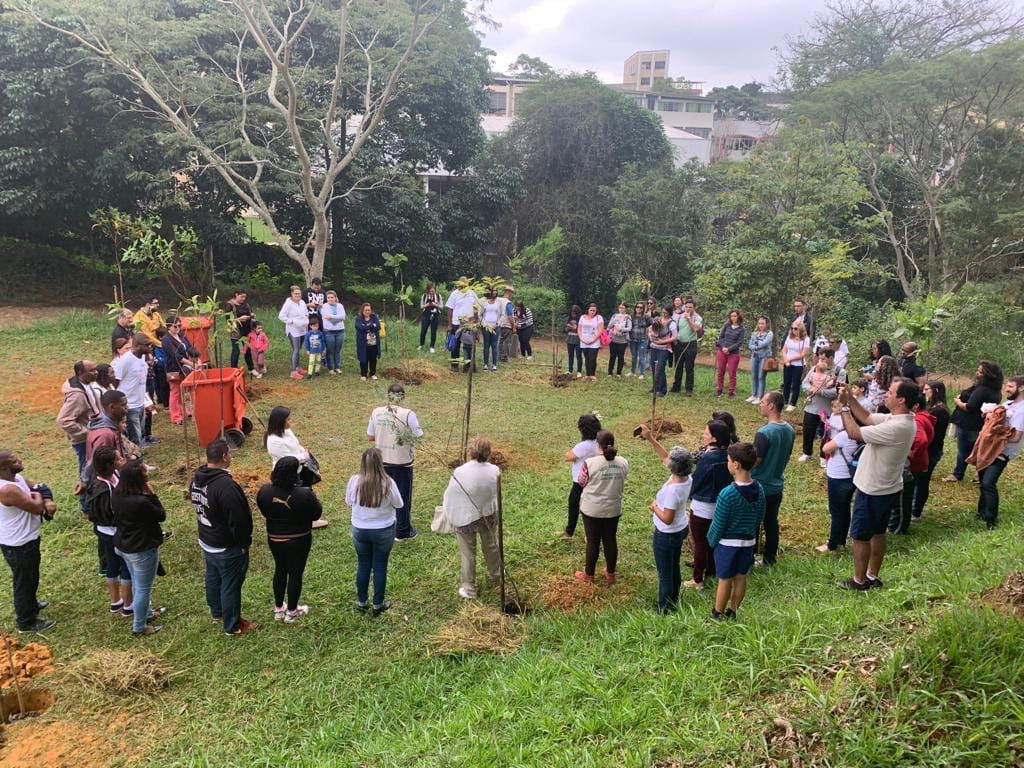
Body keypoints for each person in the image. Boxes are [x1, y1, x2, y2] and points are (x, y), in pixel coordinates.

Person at [835, 378, 919, 590]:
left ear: (901, 399)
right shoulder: (900, 419)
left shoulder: (897, 427)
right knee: (878, 532)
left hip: (873, 488)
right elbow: (868, 417)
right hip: (887, 487)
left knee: (860, 536)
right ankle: (872, 576)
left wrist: (844, 406)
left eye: (890, 392)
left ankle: (859, 581)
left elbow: (855, 433)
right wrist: (851, 399)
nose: (885, 395)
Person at [191, 438, 254, 635]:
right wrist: (244, 543)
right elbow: (239, 519)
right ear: (225, 456)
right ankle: (232, 625)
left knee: (213, 577)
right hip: (226, 546)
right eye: (230, 454)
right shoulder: (225, 486)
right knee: (230, 584)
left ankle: (217, 611)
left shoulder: (197, 478)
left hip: (207, 539)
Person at [256, 457, 323, 623]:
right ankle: (292, 612)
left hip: (275, 539)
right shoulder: (304, 494)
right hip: (299, 539)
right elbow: (316, 514)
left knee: (280, 570)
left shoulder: (265, 491)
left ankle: (279, 609)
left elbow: (264, 510)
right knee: (295, 573)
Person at [637, 425, 694, 613]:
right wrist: (651, 438)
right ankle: (674, 599)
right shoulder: (687, 478)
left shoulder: (672, 491)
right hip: (680, 528)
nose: (667, 459)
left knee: (665, 573)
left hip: (667, 533)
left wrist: (654, 507)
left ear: (674, 467)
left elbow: (667, 518)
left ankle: (665, 609)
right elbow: (665, 457)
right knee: (674, 565)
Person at [708, 443, 765, 621]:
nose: (727, 463)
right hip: (748, 541)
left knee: (725, 579)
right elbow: (759, 517)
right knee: (741, 576)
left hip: (727, 544)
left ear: (736, 464)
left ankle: (717, 613)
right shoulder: (759, 489)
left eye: (728, 460)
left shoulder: (728, 494)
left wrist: (711, 540)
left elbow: (718, 523)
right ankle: (733, 611)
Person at [0, 451, 55, 633]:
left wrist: (43, 497)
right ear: (4, 468)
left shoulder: (17, 478)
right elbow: (36, 507)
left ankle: (31, 604)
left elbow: (40, 486)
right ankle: (26, 622)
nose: (20, 460)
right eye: (14, 461)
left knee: (31, 577)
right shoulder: (7, 489)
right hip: (18, 543)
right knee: (24, 581)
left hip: (27, 538)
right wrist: (41, 501)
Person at [110, 460, 165, 636]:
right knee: (143, 588)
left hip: (123, 546)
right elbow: (161, 515)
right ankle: (139, 626)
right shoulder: (141, 501)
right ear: (139, 478)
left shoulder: (117, 493)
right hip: (141, 549)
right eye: (145, 473)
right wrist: (152, 494)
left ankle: (147, 614)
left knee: (136, 582)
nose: (148, 474)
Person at [443, 437, 502, 600]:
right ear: (488, 453)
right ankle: (497, 575)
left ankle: (469, 587)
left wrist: (449, 511)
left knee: (468, 552)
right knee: (491, 545)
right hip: (487, 515)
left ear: (472, 451)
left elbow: (451, 494)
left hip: (465, 517)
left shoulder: (460, 471)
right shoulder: (494, 471)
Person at [346, 448, 402, 616]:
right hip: (383, 529)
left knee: (363, 564)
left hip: (360, 529)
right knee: (380, 566)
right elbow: (399, 504)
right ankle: (378, 604)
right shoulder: (388, 483)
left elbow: (349, 501)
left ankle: (362, 602)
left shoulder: (354, 481)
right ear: (380, 463)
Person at [367, 384, 424, 541]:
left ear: (388, 396)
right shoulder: (408, 414)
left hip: (380, 461)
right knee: (402, 496)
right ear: (403, 397)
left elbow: (370, 436)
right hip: (401, 463)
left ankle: (383, 524)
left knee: (382, 494)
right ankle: (402, 531)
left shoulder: (376, 412)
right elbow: (418, 436)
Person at [682, 420, 733, 590]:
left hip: (702, 507)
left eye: (706, 433)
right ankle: (712, 571)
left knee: (699, 543)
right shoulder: (729, 456)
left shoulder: (706, 458)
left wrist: (689, 495)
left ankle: (697, 579)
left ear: (713, 438)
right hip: (721, 507)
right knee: (713, 541)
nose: (703, 435)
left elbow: (697, 481)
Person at [574, 431, 628, 584]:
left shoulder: (590, 463)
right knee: (610, 540)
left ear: (598, 445)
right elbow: (623, 477)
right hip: (613, 509)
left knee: (592, 542)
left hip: (592, 509)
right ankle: (610, 573)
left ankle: (589, 576)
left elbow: (581, 482)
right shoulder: (623, 462)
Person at [86, 446, 134, 615]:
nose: (123, 460)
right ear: (109, 465)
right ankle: (127, 605)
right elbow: (109, 514)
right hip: (113, 533)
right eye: (119, 459)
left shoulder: (113, 475)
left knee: (114, 564)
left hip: (112, 531)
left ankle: (117, 602)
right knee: (124, 566)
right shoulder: (103, 490)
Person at [751, 391, 796, 567]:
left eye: (763, 402)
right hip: (777, 484)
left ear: (771, 406)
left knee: (753, 523)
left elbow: (756, 461)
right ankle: (770, 558)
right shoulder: (790, 430)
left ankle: (751, 556)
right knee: (771, 522)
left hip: (760, 485)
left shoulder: (764, 432)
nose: (760, 405)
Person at [972, 376, 1024, 528]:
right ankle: (981, 512)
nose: (1006, 389)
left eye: (1010, 387)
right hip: (989, 448)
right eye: (1006, 386)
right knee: (983, 480)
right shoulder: (1007, 403)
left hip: (1002, 452)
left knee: (988, 483)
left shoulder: (1021, 411)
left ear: (1021, 388)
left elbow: (1015, 437)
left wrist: (993, 432)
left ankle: (991, 520)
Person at [945, 361, 1003, 482]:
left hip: (969, 424)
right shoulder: (995, 390)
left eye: (980, 371)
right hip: (981, 424)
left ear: (987, 375)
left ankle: (957, 474)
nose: (977, 372)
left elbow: (969, 407)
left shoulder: (982, 390)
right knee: (979, 449)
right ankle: (980, 475)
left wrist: (957, 402)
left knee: (964, 450)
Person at [816, 399, 861, 553]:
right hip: (852, 475)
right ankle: (841, 539)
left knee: (836, 511)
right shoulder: (862, 434)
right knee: (845, 508)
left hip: (838, 476)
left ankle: (832, 543)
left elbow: (826, 448)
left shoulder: (844, 435)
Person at [57, 360, 100, 514]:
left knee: (92, 469)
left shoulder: (86, 385)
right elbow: (64, 420)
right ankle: (87, 507)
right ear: (80, 373)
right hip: (84, 441)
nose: (96, 372)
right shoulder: (76, 395)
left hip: (92, 435)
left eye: (96, 369)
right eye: (91, 371)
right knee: (87, 472)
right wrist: (87, 432)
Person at [890, 393, 934, 535]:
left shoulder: (917, 420)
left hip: (914, 465)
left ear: (914, 406)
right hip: (921, 462)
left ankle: (900, 527)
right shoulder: (924, 416)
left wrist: (910, 453)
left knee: (904, 497)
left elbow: (921, 440)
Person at [560, 414, 601, 540]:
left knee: (574, 504)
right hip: (594, 479)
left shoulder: (584, 445)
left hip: (580, 481)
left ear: (583, 429)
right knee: (591, 505)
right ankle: (590, 533)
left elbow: (569, 456)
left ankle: (570, 533)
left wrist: (569, 453)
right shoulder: (598, 441)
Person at [912, 380, 949, 520]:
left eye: (927, 389)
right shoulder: (930, 406)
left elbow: (935, 434)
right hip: (928, 448)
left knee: (922, 481)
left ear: (936, 391)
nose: (924, 391)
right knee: (919, 480)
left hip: (932, 450)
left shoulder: (940, 411)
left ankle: (916, 511)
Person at [798, 348, 839, 464]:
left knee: (827, 433)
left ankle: (823, 456)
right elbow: (805, 383)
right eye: (819, 358)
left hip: (828, 409)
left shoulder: (839, 371)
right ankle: (807, 452)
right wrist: (811, 389)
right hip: (811, 406)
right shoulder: (814, 368)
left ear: (831, 358)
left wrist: (820, 391)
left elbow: (837, 391)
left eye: (823, 358)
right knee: (808, 430)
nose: (820, 361)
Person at [113, 333, 153, 449]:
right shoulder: (125, 361)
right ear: (138, 346)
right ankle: (137, 464)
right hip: (130, 406)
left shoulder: (142, 359)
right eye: (147, 345)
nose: (150, 347)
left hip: (140, 404)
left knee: (140, 435)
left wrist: (147, 402)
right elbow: (115, 382)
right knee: (134, 438)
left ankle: (139, 461)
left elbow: (142, 383)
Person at [162, 317, 199, 425]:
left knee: (187, 390)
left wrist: (197, 357)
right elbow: (174, 355)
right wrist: (190, 362)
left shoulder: (182, 335)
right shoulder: (166, 340)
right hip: (174, 369)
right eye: (175, 326)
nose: (178, 328)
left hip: (186, 368)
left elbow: (190, 348)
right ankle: (175, 416)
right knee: (175, 392)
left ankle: (185, 410)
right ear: (168, 327)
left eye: (179, 325)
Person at [671, 298, 703, 396]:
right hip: (679, 344)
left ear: (694, 307)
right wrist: (675, 340)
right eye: (687, 307)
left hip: (690, 344)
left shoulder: (698, 318)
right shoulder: (680, 316)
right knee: (678, 366)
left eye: (690, 307)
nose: (688, 309)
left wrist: (688, 319)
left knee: (689, 367)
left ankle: (689, 389)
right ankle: (676, 387)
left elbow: (696, 329)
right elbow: (676, 328)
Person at [446, 278, 479, 370]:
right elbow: (450, 310)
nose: (463, 285)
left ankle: (469, 365)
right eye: (461, 283)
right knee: (455, 345)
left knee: (468, 344)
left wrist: (475, 319)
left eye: (465, 283)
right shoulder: (454, 294)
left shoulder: (472, 293)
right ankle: (454, 365)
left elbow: (477, 307)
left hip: (469, 323)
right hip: (456, 322)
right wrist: (449, 324)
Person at [278, 286, 309, 378]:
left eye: (299, 293)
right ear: (292, 294)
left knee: (298, 349)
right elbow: (281, 316)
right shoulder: (288, 303)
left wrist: (306, 317)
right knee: (295, 350)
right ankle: (293, 371)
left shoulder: (302, 302)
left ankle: (297, 367)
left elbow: (306, 312)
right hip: (293, 329)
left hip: (302, 328)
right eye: (295, 293)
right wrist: (291, 321)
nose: (297, 295)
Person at [715, 309, 745, 399]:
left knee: (732, 373)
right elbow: (721, 337)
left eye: (735, 316)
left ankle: (731, 392)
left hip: (734, 353)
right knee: (720, 371)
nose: (733, 318)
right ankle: (719, 390)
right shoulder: (726, 325)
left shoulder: (742, 329)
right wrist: (724, 347)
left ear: (738, 316)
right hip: (722, 351)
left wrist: (729, 349)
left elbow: (739, 342)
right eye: (731, 316)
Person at [781, 320, 810, 411]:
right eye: (792, 328)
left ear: (800, 329)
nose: (793, 330)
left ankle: (792, 403)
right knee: (786, 382)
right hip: (787, 363)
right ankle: (785, 401)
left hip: (798, 365)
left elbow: (802, 354)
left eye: (795, 328)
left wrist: (790, 359)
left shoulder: (806, 339)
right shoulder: (789, 337)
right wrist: (786, 359)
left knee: (795, 384)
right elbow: (784, 349)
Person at [225, 290, 255, 375]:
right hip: (235, 331)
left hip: (246, 330)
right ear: (236, 295)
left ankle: (251, 369)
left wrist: (251, 316)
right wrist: (239, 319)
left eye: (245, 297)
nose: (243, 299)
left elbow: (250, 314)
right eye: (241, 296)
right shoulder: (230, 305)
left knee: (247, 349)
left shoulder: (246, 305)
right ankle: (233, 371)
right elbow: (228, 320)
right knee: (236, 350)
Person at [647, 311, 676, 398]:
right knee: (653, 367)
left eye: (666, 312)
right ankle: (655, 387)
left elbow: (674, 337)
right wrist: (650, 336)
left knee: (660, 368)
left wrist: (662, 341)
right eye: (663, 312)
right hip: (654, 347)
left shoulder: (671, 323)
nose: (664, 314)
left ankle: (662, 389)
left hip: (664, 349)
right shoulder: (655, 323)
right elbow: (649, 331)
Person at [746, 316, 773, 405]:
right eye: (759, 323)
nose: (761, 325)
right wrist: (755, 345)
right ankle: (753, 395)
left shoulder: (769, 333)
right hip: (755, 356)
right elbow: (750, 344)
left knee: (761, 377)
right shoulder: (754, 333)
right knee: (754, 376)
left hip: (764, 357)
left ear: (766, 324)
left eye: (763, 323)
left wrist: (756, 343)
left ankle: (759, 397)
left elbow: (764, 344)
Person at [321, 290, 347, 374]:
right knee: (330, 350)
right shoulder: (324, 306)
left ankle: (337, 367)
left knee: (337, 350)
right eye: (328, 297)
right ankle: (330, 368)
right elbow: (326, 317)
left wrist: (332, 316)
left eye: (332, 297)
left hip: (340, 331)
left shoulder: (340, 306)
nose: (330, 299)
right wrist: (337, 317)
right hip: (329, 331)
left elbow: (343, 317)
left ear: (335, 298)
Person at [354, 303, 382, 381]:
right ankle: (363, 374)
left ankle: (372, 373)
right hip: (363, 343)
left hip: (374, 343)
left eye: (369, 310)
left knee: (373, 359)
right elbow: (360, 327)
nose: (367, 311)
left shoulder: (374, 317)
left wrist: (366, 327)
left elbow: (378, 326)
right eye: (366, 310)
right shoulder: (358, 318)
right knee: (363, 359)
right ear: (362, 310)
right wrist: (371, 326)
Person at [577, 303, 604, 381]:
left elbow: (600, 330)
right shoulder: (582, 317)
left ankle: (592, 375)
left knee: (592, 358)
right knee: (586, 358)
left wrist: (593, 339)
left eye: (594, 310)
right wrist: (581, 338)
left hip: (594, 342)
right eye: (591, 310)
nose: (592, 312)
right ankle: (587, 374)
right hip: (584, 341)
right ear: (588, 310)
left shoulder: (599, 318)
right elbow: (579, 329)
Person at [607, 303, 631, 377]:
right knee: (612, 356)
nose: (621, 309)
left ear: (625, 309)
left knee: (621, 356)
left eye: (623, 308)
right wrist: (614, 320)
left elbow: (629, 328)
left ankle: (618, 373)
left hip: (623, 340)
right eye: (620, 307)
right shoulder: (614, 316)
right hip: (613, 339)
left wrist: (621, 329)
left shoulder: (628, 317)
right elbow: (609, 326)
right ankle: (610, 372)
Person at [480, 291, 502, 372]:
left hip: (495, 327)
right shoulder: (484, 302)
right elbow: (480, 315)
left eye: (496, 292)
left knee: (494, 345)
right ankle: (485, 364)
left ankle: (494, 365)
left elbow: (501, 314)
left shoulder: (499, 302)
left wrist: (497, 324)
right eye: (493, 291)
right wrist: (484, 324)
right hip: (486, 327)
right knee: (486, 345)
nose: (494, 293)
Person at [418, 282, 444, 353]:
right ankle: (421, 344)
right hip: (426, 314)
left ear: (435, 290)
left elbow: (441, 306)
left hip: (435, 314)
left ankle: (432, 347)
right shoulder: (424, 296)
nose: (432, 292)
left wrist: (435, 304)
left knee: (433, 331)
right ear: (428, 290)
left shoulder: (438, 296)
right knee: (423, 330)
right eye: (430, 291)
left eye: (433, 291)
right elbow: (421, 306)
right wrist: (427, 305)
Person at [627, 301, 649, 378]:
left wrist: (648, 330)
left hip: (643, 340)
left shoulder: (646, 317)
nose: (639, 308)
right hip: (632, 339)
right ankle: (633, 371)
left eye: (641, 307)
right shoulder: (631, 316)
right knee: (634, 356)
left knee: (642, 357)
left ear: (643, 309)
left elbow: (651, 324)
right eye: (637, 307)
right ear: (635, 307)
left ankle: (642, 373)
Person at [566, 305, 583, 378]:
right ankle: (570, 370)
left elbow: (582, 330)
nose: (573, 315)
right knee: (570, 355)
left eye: (574, 313)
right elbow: (565, 330)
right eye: (572, 313)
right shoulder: (569, 319)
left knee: (578, 356)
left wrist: (576, 328)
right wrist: (568, 327)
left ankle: (579, 371)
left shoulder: (581, 320)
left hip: (578, 340)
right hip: (569, 340)